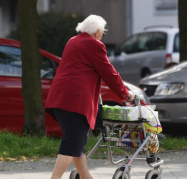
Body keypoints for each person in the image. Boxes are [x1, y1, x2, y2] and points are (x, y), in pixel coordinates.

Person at [45, 14, 135, 179]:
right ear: (97, 31)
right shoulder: (94, 44)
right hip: (76, 102)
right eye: (102, 33)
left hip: (59, 99)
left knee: (76, 144)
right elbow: (109, 72)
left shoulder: (72, 41)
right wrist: (125, 93)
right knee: (72, 143)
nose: (102, 36)